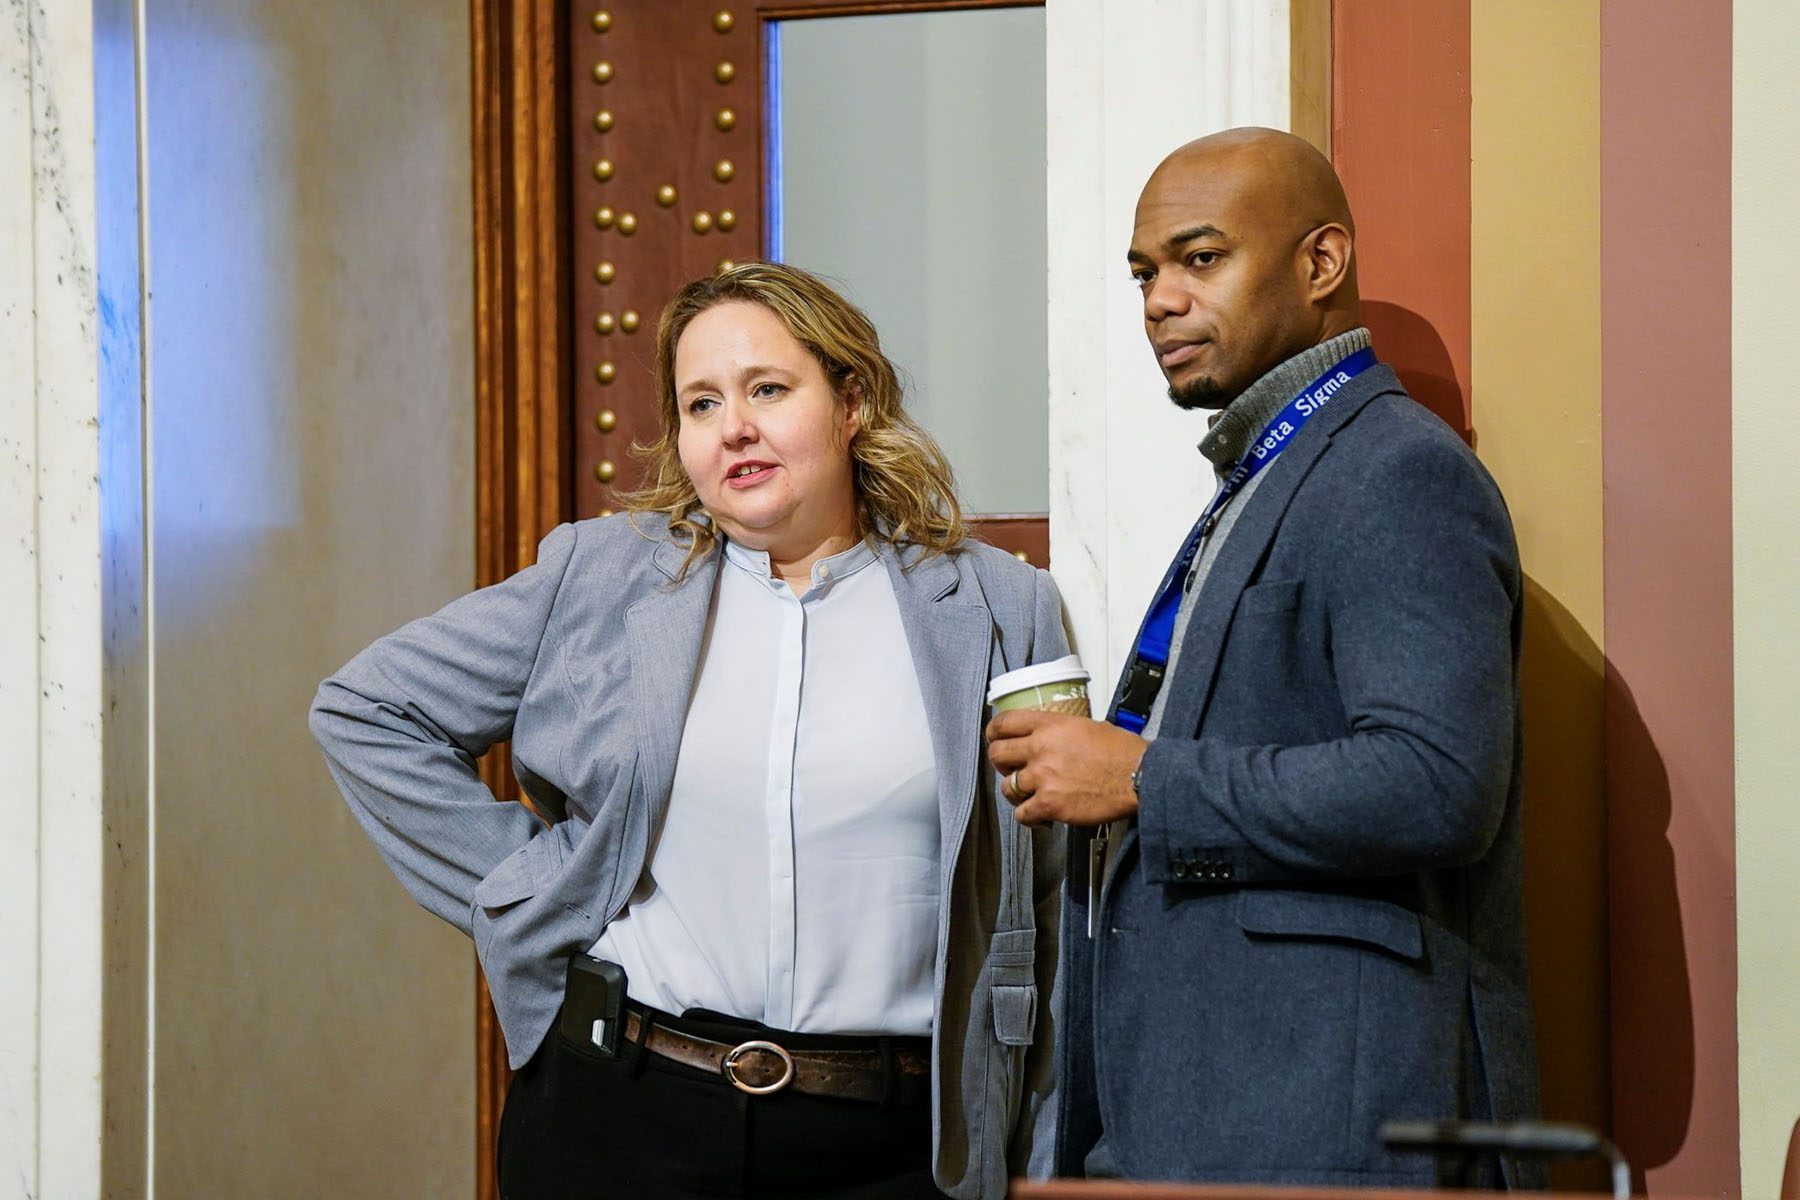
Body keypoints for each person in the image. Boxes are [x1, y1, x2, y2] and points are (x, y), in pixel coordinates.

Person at [311, 262, 1065, 1200]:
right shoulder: (598, 576)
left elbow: (1050, 891)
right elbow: (367, 709)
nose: (734, 426)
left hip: (895, 1145)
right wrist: (531, 886)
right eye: (701, 403)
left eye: (768, 390)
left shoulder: (999, 605)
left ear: (852, 401)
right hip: (620, 1119)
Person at [986, 127, 1541, 1187]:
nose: (1159, 300)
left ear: (1321, 264)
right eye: (1145, 273)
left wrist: (1142, 776)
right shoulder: (1268, 477)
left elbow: (1441, 784)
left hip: (1328, 1129)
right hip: (1204, 1113)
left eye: (1201, 259)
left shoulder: (1395, 473)